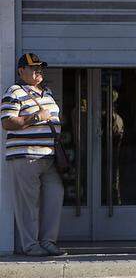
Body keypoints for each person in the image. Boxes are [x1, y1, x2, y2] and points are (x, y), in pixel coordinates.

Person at [1, 53, 65, 256]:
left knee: (55, 195)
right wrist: (36, 116)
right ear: (21, 71)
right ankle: (30, 245)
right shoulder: (14, 92)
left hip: (48, 156)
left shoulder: (47, 92)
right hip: (25, 156)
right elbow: (7, 122)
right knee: (27, 204)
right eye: (33, 67)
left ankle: (47, 241)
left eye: (40, 67)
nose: (39, 71)